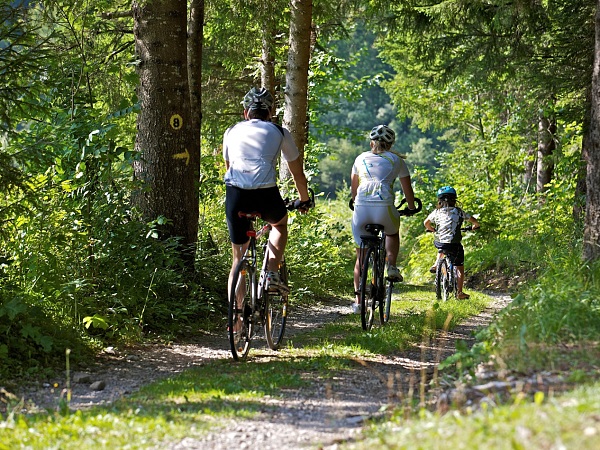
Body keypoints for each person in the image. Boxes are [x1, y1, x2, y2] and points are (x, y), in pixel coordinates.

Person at [223, 87, 312, 296]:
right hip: (265, 194)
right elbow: (297, 174)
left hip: (236, 194)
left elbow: (229, 168)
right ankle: (272, 272)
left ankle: (235, 324)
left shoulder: (231, 131)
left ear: (246, 112)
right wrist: (304, 199)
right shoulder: (279, 131)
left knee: (238, 260)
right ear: (270, 112)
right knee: (279, 224)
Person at [350, 124, 416, 314]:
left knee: (360, 257)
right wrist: (410, 207)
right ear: (391, 143)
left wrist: (357, 202)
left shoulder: (360, 158)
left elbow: (354, 190)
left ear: (372, 143)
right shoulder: (396, 160)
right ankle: (392, 266)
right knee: (392, 233)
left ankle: (358, 302)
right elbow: (407, 190)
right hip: (385, 208)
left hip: (361, 209)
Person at [423, 186, 480, 300]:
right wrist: (474, 226)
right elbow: (474, 221)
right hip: (454, 245)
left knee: (441, 247)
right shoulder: (459, 212)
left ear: (439, 200)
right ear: (454, 199)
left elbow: (426, 223)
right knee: (459, 267)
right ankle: (459, 292)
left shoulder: (437, 212)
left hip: (440, 243)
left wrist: (432, 229)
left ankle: (436, 264)